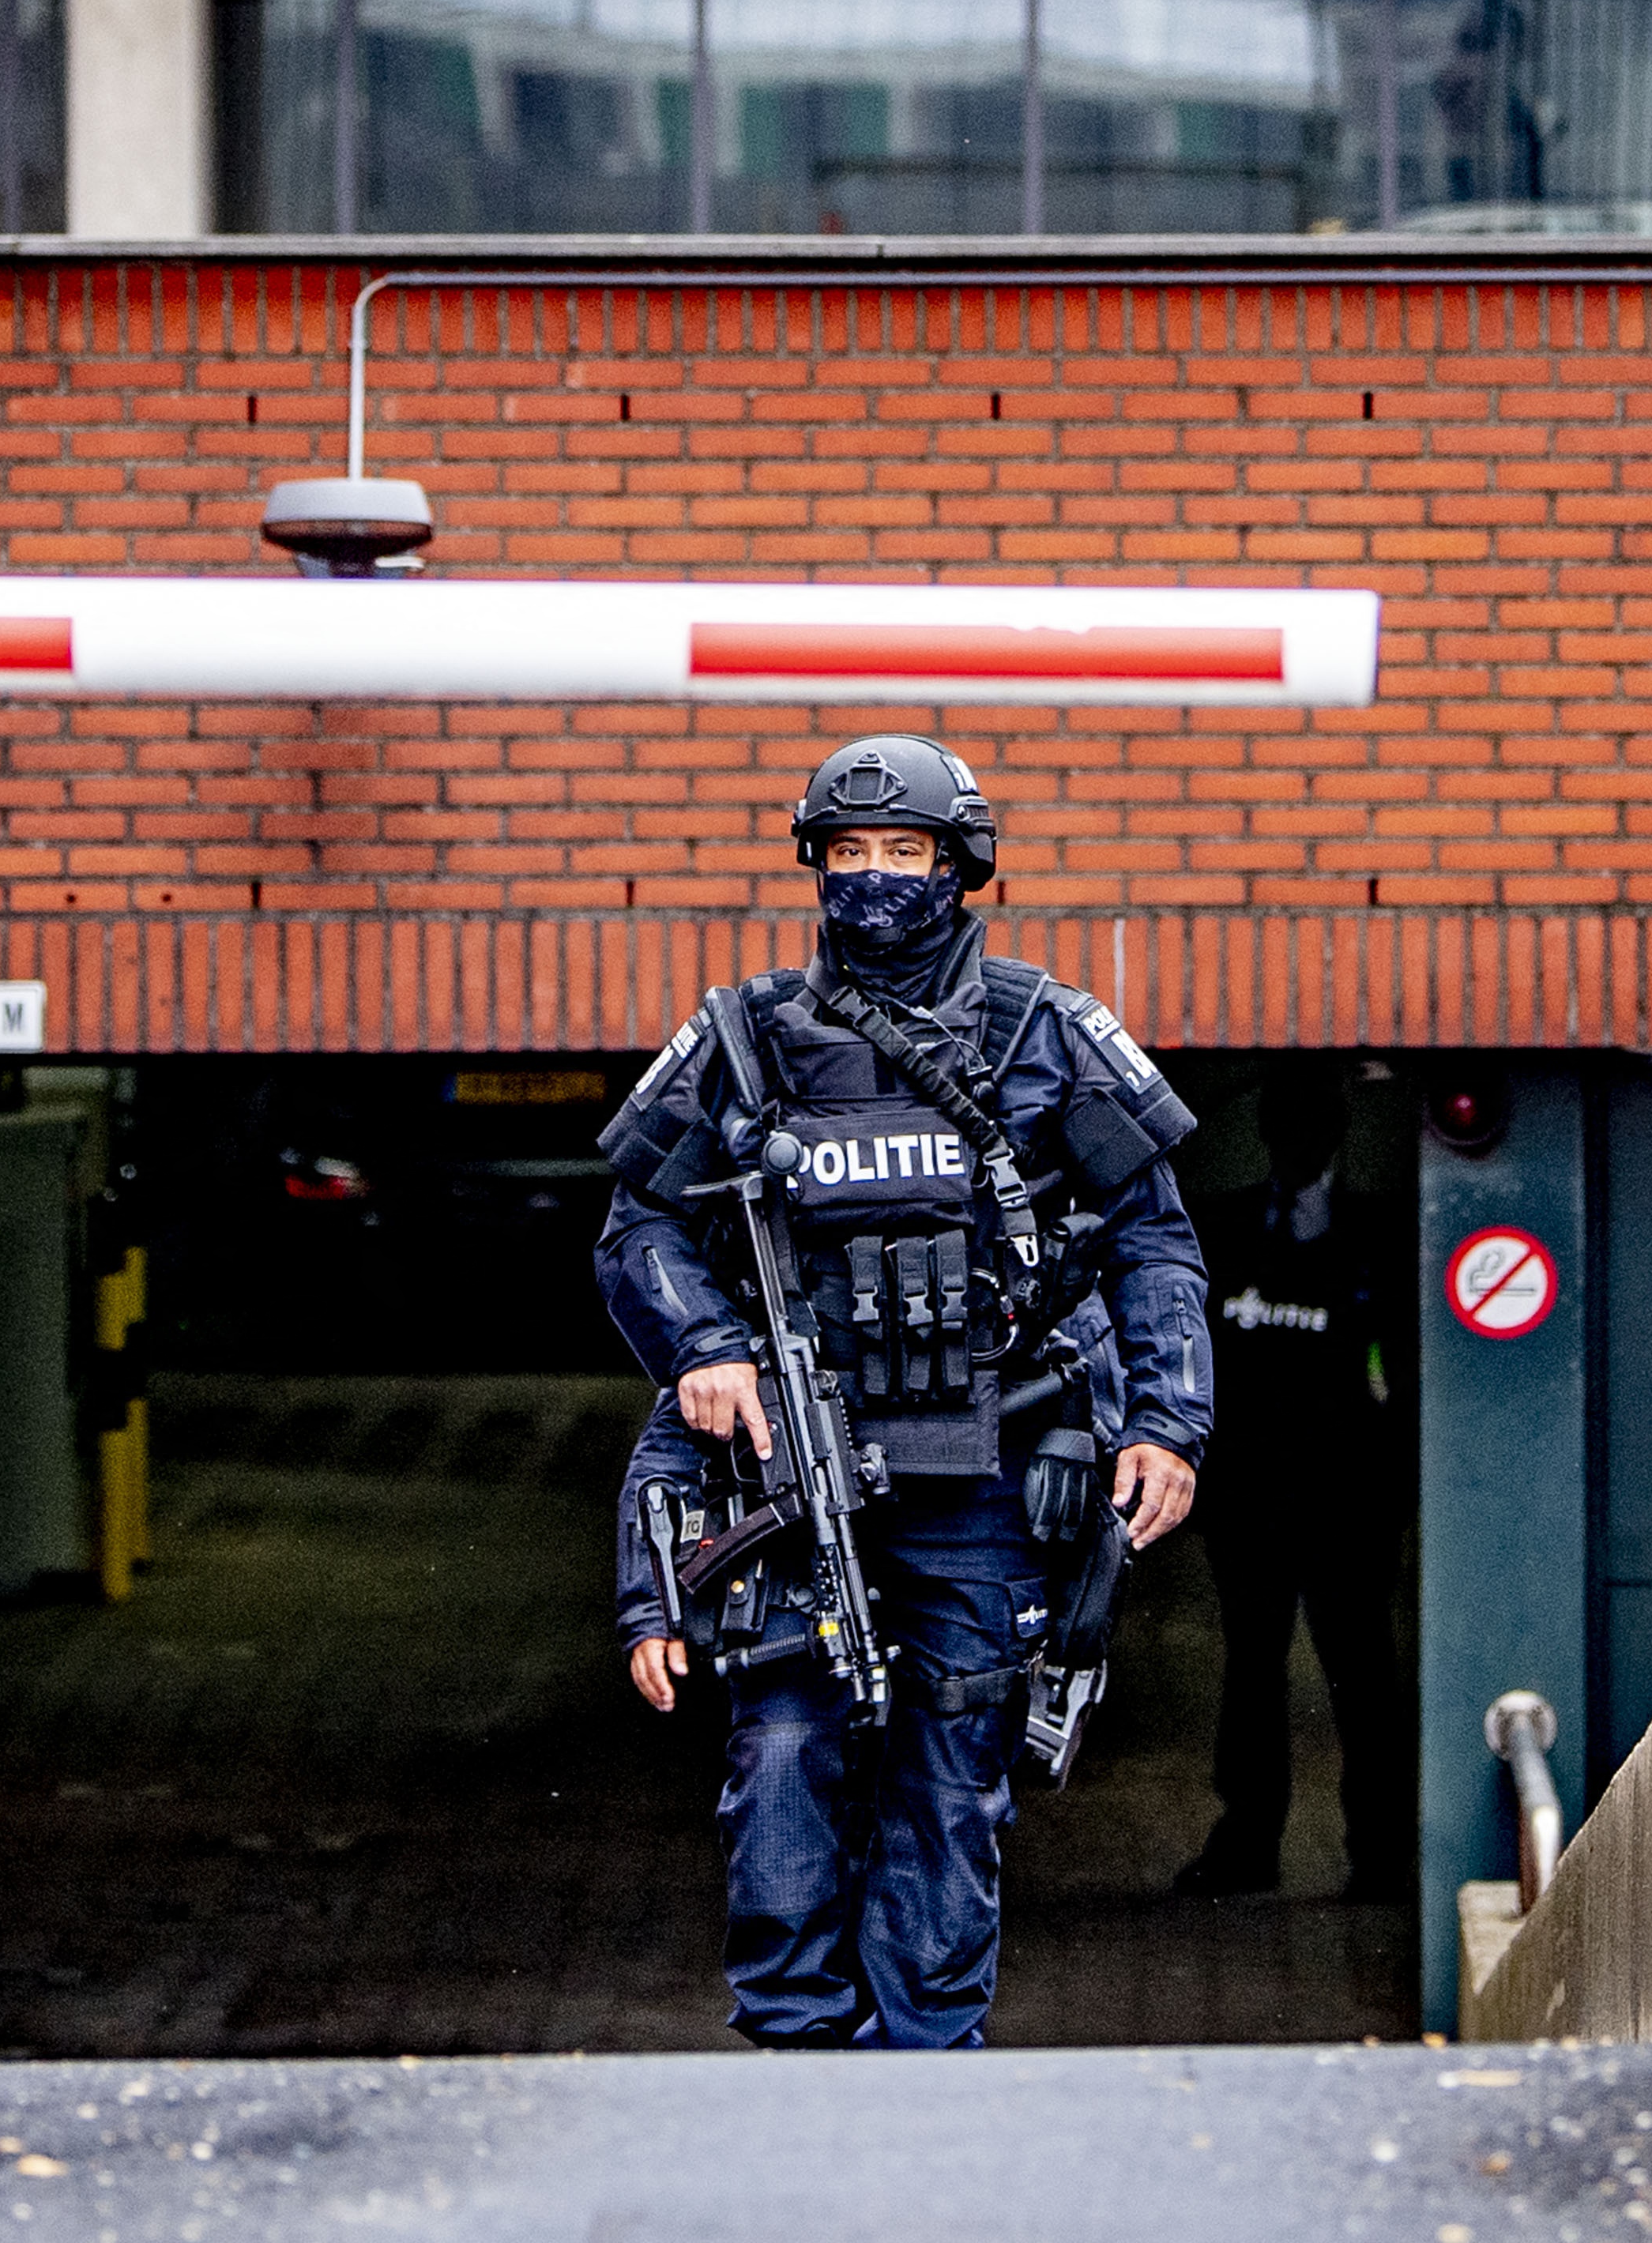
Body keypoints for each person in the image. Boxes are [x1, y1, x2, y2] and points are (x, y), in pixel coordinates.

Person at [593, 733, 1212, 2049]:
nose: (876, 879)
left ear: (961, 867)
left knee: (953, 1770)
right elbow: (633, 1228)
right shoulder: (742, 1039)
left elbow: (1153, 1233)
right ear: (817, 862)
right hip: (796, 1470)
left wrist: (1168, 1419)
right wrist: (705, 1349)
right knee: (780, 1760)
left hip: (985, 1472)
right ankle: (793, 2044)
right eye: (852, 853)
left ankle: (927, 2064)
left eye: (906, 853)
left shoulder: (1046, 1032)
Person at [1170, 1063, 1410, 1901]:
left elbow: (1404, 1378)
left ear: (1334, 1134)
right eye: (1286, 1130)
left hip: (1349, 1505)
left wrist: (1391, 1490)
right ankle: (1247, 1845)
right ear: (1269, 1134)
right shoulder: (1226, 1227)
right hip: (1252, 1502)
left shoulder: (1379, 1234)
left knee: (1363, 1680)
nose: (1298, 1147)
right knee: (1253, 1674)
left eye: (1312, 1129)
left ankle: (1381, 1853)